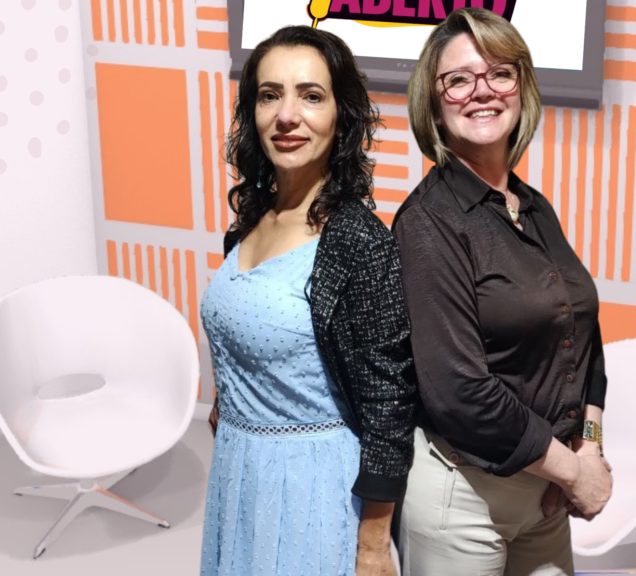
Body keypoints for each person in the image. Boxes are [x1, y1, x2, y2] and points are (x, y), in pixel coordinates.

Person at [392, 8, 613, 576]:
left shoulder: (532, 206)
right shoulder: (427, 222)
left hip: (545, 489)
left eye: (499, 73)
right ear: (434, 105)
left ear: (522, 88)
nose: (481, 92)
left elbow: (581, 336)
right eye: (459, 79)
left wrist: (589, 446)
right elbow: (458, 391)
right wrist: (572, 471)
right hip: (463, 499)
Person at [199, 25, 416, 576]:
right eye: (270, 95)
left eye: (311, 96)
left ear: (341, 115)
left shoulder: (357, 241)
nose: (287, 115)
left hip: (316, 487)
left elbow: (390, 403)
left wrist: (372, 545)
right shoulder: (250, 221)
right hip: (239, 472)